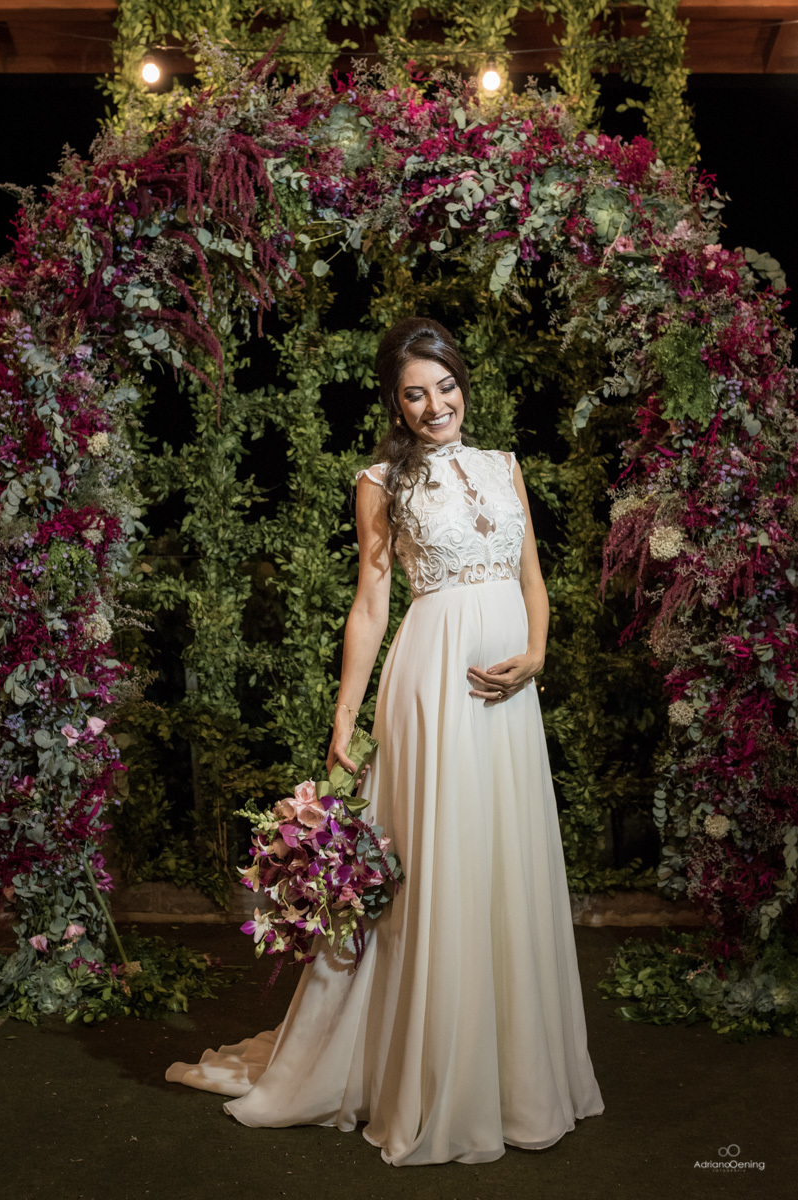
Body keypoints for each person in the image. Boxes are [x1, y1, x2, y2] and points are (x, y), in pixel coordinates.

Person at [166, 317, 605, 1166]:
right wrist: (344, 714)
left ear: (461, 385)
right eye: (415, 393)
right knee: (434, 868)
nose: (434, 404)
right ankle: (432, 1072)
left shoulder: (503, 467)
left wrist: (538, 654)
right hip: (431, 685)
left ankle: (517, 1071)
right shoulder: (379, 482)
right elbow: (371, 602)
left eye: (444, 386)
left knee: (503, 862)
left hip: (510, 693)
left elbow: (531, 578)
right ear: (396, 405)